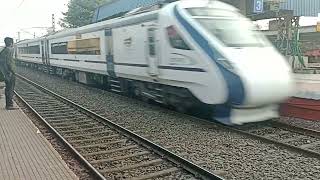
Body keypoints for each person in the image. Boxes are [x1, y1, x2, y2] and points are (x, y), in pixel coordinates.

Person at [0, 37, 17, 110]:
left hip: (6, 73)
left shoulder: (3, 51)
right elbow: (10, 63)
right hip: (9, 74)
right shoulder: (9, 50)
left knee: (8, 89)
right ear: (11, 43)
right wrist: (13, 71)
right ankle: (9, 105)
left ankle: (9, 104)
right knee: (10, 89)